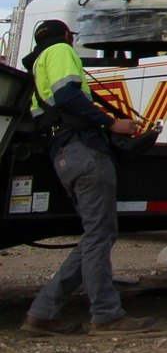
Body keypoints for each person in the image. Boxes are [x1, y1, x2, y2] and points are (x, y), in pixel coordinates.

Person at [20, 19, 156, 335]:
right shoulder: (61, 50)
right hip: (83, 149)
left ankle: (43, 312)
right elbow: (69, 95)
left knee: (97, 233)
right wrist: (111, 124)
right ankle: (106, 315)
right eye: (72, 36)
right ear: (66, 36)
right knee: (99, 234)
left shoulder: (38, 65)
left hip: (63, 153)